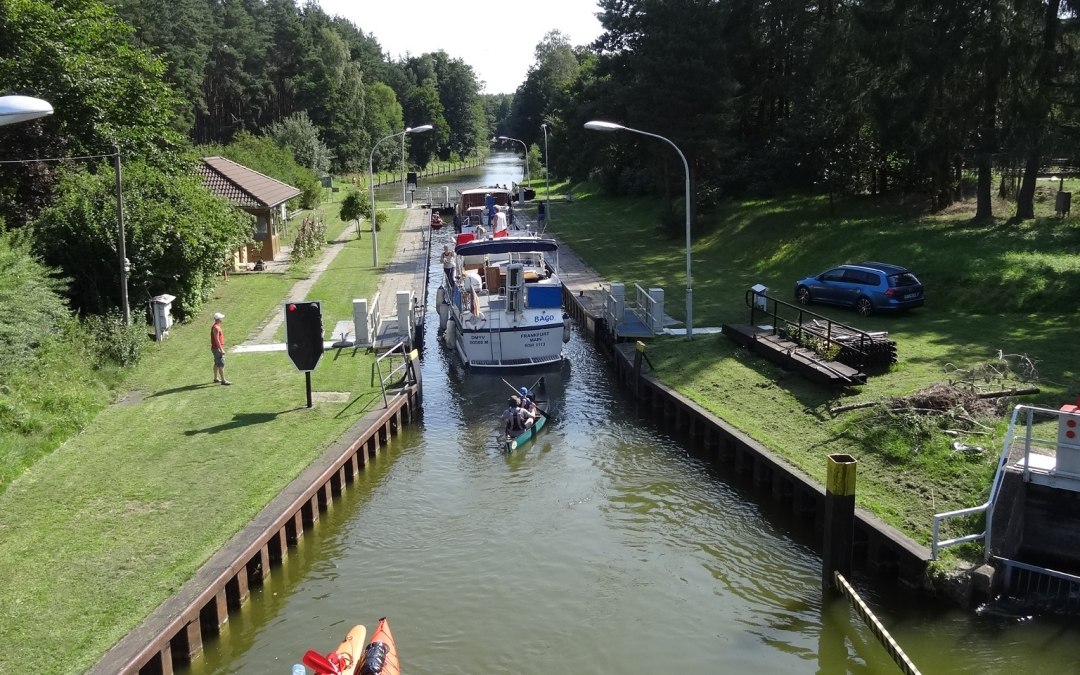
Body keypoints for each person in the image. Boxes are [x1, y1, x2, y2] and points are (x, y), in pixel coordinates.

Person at [210, 312, 231, 385]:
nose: (222, 319)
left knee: (216, 363)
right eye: (221, 318)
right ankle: (223, 380)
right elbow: (217, 340)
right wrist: (221, 349)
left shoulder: (216, 326)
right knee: (221, 364)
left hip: (215, 348)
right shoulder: (216, 328)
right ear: (218, 319)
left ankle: (215, 378)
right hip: (217, 349)